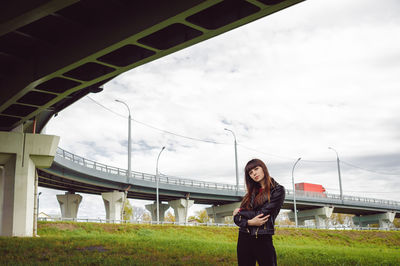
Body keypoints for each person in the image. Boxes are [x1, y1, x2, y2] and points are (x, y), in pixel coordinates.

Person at [233, 159, 285, 266]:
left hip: (262, 237)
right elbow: (236, 219)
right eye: (250, 173)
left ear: (263, 168)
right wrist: (249, 223)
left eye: (256, 169)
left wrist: (241, 212)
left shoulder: (277, 190)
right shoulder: (250, 193)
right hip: (244, 237)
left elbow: (262, 214)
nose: (254, 174)